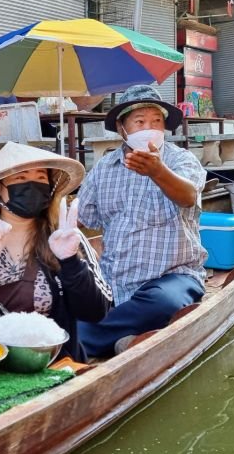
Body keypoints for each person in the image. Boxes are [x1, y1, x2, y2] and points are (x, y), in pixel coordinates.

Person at [0, 142, 112, 362]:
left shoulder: (65, 235)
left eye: (40, 178)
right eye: (20, 178)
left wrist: (70, 261)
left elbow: (96, 312)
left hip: (49, 360)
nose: (31, 185)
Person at [76, 84, 207, 358]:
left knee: (164, 303)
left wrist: (158, 171)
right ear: (122, 129)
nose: (150, 127)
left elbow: (187, 196)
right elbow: (83, 217)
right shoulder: (105, 167)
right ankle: (119, 338)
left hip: (172, 277)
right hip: (114, 278)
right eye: (140, 122)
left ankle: (80, 343)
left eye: (156, 122)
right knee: (68, 290)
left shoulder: (181, 160)